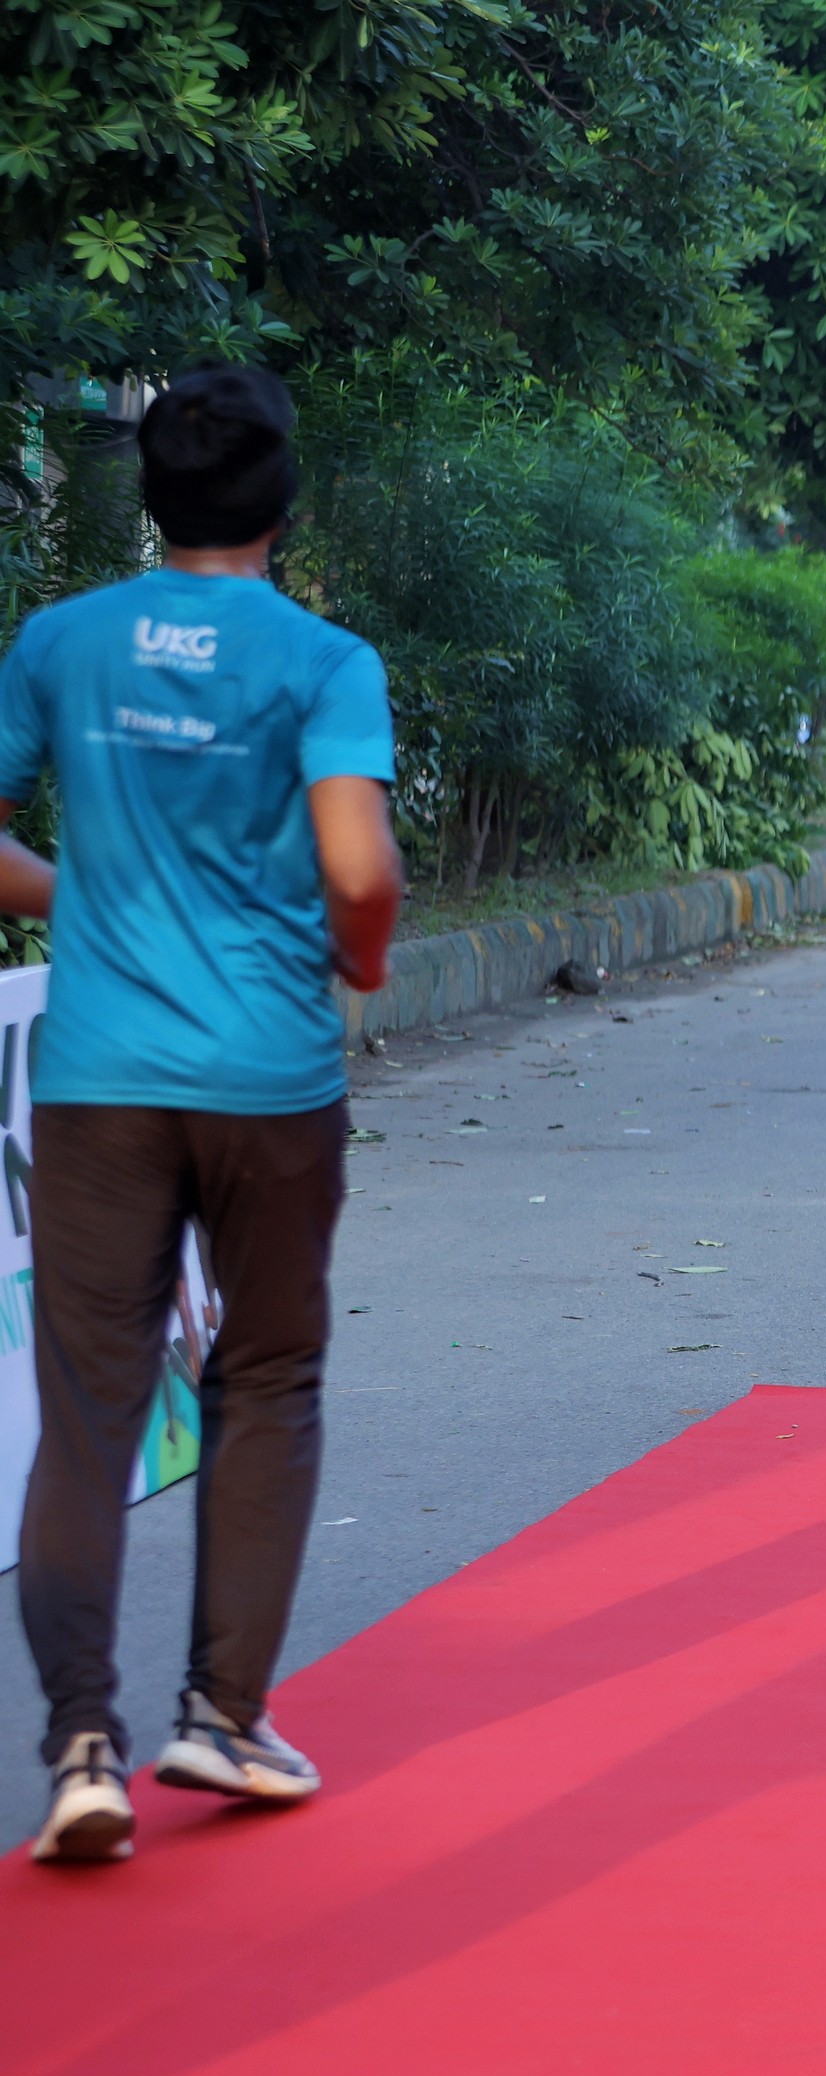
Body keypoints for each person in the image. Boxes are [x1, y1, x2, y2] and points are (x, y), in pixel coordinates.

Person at [1, 365, 406, 1862]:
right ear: (283, 504)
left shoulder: (61, 641)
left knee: (89, 1410)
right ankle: (224, 1716)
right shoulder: (323, 660)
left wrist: (85, 898)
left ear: (154, 494)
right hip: (271, 1078)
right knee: (269, 1375)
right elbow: (356, 868)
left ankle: (81, 1749)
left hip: (100, 1081)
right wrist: (359, 956)